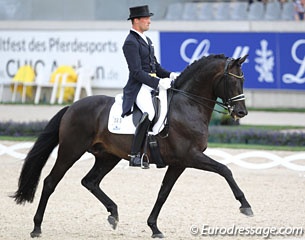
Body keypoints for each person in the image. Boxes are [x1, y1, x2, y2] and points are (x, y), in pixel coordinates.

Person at [122, 5, 178, 167]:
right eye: (146, 18)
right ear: (136, 20)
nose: (149, 21)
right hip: (139, 87)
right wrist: (159, 82)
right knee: (150, 112)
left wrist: (170, 75)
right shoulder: (130, 42)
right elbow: (136, 72)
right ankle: (134, 155)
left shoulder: (147, 40)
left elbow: (156, 68)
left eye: (149, 18)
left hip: (151, 85)